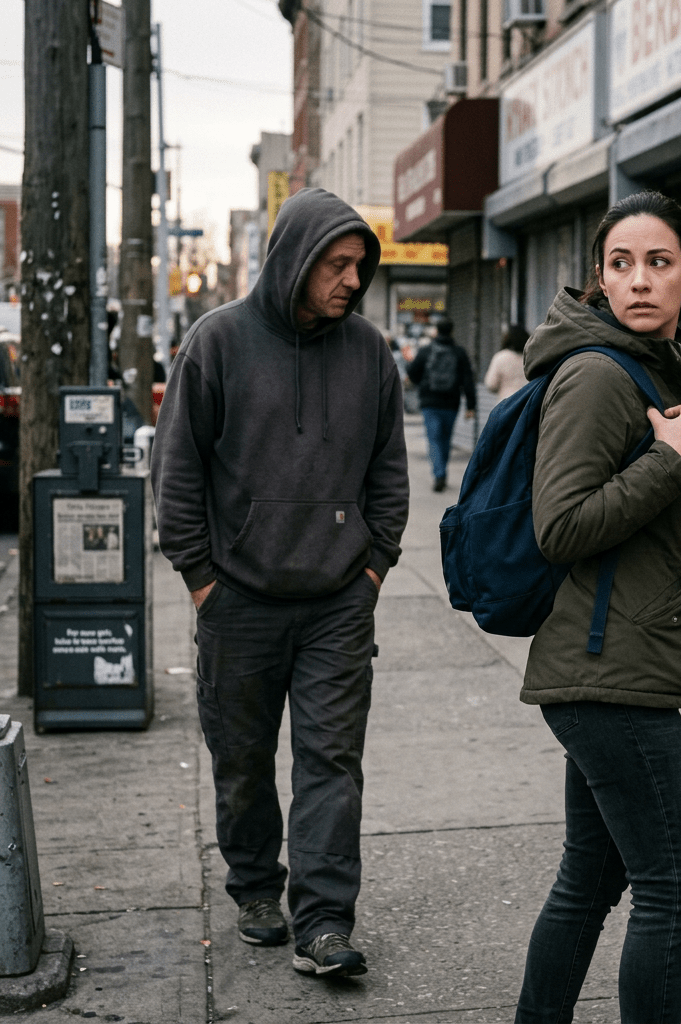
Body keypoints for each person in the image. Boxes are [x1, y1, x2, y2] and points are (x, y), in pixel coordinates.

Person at [151, 188, 409, 978]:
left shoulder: (369, 352)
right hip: (238, 601)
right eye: (335, 263)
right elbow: (177, 477)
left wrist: (370, 572)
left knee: (332, 762)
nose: (349, 279)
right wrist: (203, 583)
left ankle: (325, 920)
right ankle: (257, 886)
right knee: (241, 758)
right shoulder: (217, 342)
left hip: (337, 602)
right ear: (292, 261)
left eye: (359, 266)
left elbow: (388, 476)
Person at [515, 190, 681, 1024]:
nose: (640, 280)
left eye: (659, 262)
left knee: (591, 878)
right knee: (672, 890)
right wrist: (672, 462)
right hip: (610, 674)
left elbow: (664, 522)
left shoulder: (654, 368)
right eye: (621, 264)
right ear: (599, 281)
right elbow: (561, 525)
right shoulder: (597, 374)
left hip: (610, 662)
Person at [407, 317, 476, 491]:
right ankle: (441, 471)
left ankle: (439, 474)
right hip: (451, 403)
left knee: (434, 438)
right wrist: (470, 405)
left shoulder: (426, 350)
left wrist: (420, 383)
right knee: (446, 438)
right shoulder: (459, 352)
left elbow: (413, 372)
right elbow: (468, 379)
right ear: (452, 331)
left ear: (436, 331)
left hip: (429, 402)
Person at [484, 324, 529, 400]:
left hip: (506, 404)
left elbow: (491, 384)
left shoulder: (500, 357)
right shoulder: (530, 358)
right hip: (527, 403)